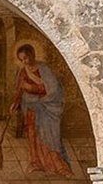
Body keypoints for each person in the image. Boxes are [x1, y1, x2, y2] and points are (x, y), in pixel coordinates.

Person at [10, 44, 73, 177]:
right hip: (30, 109)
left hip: (46, 109)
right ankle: (35, 163)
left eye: (25, 58)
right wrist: (15, 103)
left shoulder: (44, 69)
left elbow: (53, 89)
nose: (24, 62)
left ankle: (58, 166)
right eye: (21, 60)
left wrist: (32, 88)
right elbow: (19, 89)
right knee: (32, 135)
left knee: (49, 136)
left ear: (32, 55)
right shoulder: (23, 71)